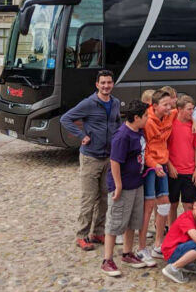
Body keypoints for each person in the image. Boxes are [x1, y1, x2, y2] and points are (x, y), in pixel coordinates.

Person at [60, 70, 122, 251]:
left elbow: (117, 123)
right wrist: (82, 135)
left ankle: (98, 231)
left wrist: (118, 140)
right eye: (103, 83)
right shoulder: (89, 103)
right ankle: (82, 235)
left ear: (112, 84)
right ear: (97, 85)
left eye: (109, 82)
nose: (106, 86)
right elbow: (66, 119)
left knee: (104, 197)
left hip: (108, 157)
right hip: (90, 157)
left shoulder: (116, 102)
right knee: (89, 198)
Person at [101, 100, 151, 277]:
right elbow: (115, 161)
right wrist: (118, 185)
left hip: (137, 183)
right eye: (145, 116)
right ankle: (107, 260)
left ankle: (127, 253)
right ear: (136, 117)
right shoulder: (122, 136)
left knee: (133, 221)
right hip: (124, 186)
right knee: (115, 222)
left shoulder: (139, 131)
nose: (148, 119)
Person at [137, 89, 177, 264]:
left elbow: (184, 109)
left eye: (170, 104)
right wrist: (154, 165)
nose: (169, 107)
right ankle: (141, 247)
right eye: (165, 105)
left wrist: (194, 121)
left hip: (163, 164)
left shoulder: (170, 114)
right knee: (148, 207)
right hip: (150, 166)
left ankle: (158, 244)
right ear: (154, 106)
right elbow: (143, 150)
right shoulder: (147, 121)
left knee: (165, 205)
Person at [167, 94, 196, 226]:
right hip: (174, 170)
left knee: (189, 205)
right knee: (172, 205)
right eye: (189, 109)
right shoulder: (170, 124)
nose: (192, 112)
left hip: (189, 171)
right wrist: (169, 166)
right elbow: (164, 147)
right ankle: (172, 230)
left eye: (193, 109)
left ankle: (189, 231)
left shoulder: (194, 126)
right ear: (180, 109)